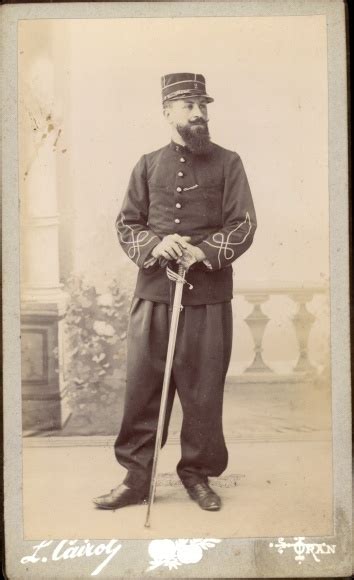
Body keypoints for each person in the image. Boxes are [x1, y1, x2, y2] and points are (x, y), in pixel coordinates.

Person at [93, 72, 257, 512]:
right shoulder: (147, 164)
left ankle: (197, 475)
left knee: (203, 390)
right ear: (168, 112)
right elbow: (127, 223)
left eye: (202, 105)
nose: (198, 113)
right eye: (188, 106)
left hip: (207, 298)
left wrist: (201, 253)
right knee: (143, 388)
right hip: (154, 297)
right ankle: (135, 478)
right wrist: (155, 244)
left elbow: (243, 224)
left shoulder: (229, 162)